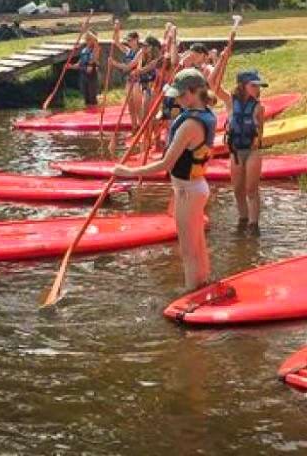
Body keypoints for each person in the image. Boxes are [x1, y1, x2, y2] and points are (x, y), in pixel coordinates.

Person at [114, 69, 217, 290]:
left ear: (193, 92)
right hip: (195, 188)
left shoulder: (191, 124)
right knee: (197, 246)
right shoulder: (204, 112)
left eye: (180, 95)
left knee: (188, 250)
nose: (177, 100)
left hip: (188, 191)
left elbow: (165, 164)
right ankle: (203, 285)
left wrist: (128, 172)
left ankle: (191, 293)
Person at [215, 69, 267, 235]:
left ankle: (254, 225)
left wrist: (256, 141)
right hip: (236, 152)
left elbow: (260, 133)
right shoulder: (230, 102)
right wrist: (222, 60)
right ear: (243, 86)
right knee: (238, 189)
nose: (258, 89)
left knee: (251, 189)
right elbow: (213, 86)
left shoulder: (259, 107)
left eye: (258, 86)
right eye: (254, 85)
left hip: (252, 152)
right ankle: (243, 219)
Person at [111, 31, 142, 131]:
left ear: (136, 39)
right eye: (127, 41)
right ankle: (134, 127)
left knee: (138, 107)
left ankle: (142, 129)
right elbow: (116, 41)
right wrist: (117, 29)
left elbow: (130, 66)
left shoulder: (140, 52)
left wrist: (115, 63)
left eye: (130, 40)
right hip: (129, 80)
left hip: (138, 81)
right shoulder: (128, 51)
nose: (128, 42)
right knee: (130, 106)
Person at [68, 30, 101, 106]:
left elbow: (96, 41)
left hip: (92, 74)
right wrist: (71, 66)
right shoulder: (84, 50)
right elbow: (79, 63)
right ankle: (88, 110)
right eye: (87, 39)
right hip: (83, 74)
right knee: (86, 96)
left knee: (92, 96)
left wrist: (87, 31)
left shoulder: (96, 48)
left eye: (89, 39)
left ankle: (94, 111)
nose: (87, 41)